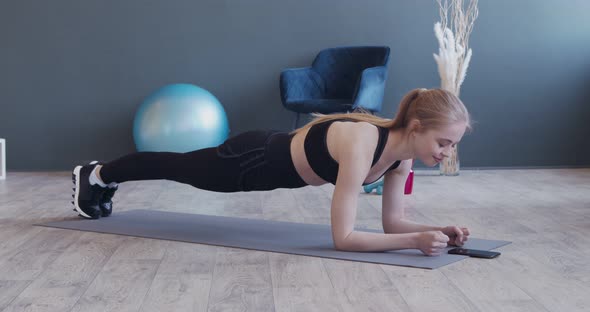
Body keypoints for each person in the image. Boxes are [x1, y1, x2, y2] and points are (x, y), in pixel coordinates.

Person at [71, 88, 472, 256]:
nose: (446, 152)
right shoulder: (364, 142)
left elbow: (393, 222)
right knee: (174, 166)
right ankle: (97, 174)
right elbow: (344, 238)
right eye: (443, 143)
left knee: (176, 166)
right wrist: (415, 241)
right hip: (250, 160)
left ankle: (101, 176)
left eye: (452, 145)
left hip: (269, 167)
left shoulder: (402, 159)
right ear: (417, 127)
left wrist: (437, 232)